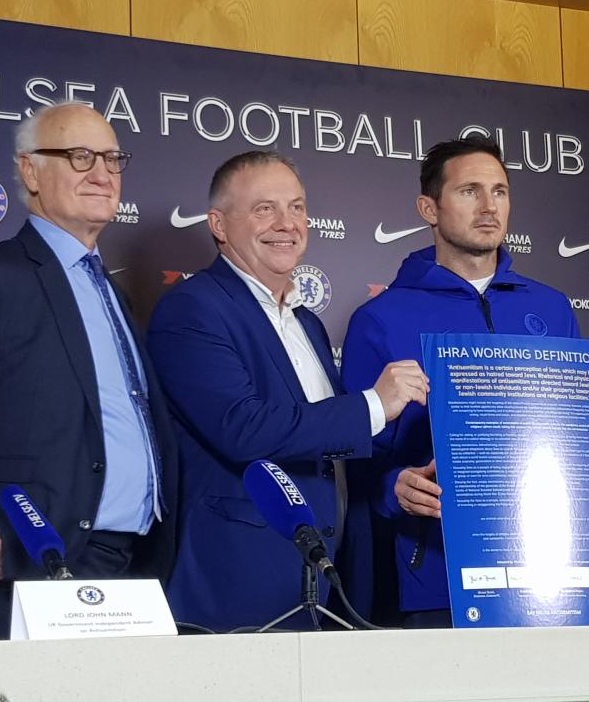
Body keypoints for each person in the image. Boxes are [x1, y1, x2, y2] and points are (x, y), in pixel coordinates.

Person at [0, 102, 178, 640]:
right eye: (78, 156)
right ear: (30, 171)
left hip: (127, 569)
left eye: (113, 158)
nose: (101, 173)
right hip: (23, 565)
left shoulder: (108, 290)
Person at [341, 134, 589, 628]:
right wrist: (393, 487)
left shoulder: (551, 308)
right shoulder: (380, 319)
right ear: (428, 208)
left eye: (500, 191)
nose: (488, 206)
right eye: (469, 191)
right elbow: (353, 457)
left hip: (561, 575)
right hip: (440, 575)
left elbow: (579, 432)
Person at [147, 151, 429, 631]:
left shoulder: (307, 324)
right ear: (218, 224)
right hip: (244, 582)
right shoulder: (192, 310)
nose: (287, 223)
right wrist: (373, 405)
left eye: (297, 207)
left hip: (330, 580)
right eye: (264, 208)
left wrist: (392, 483)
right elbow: (244, 428)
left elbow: (325, 449)